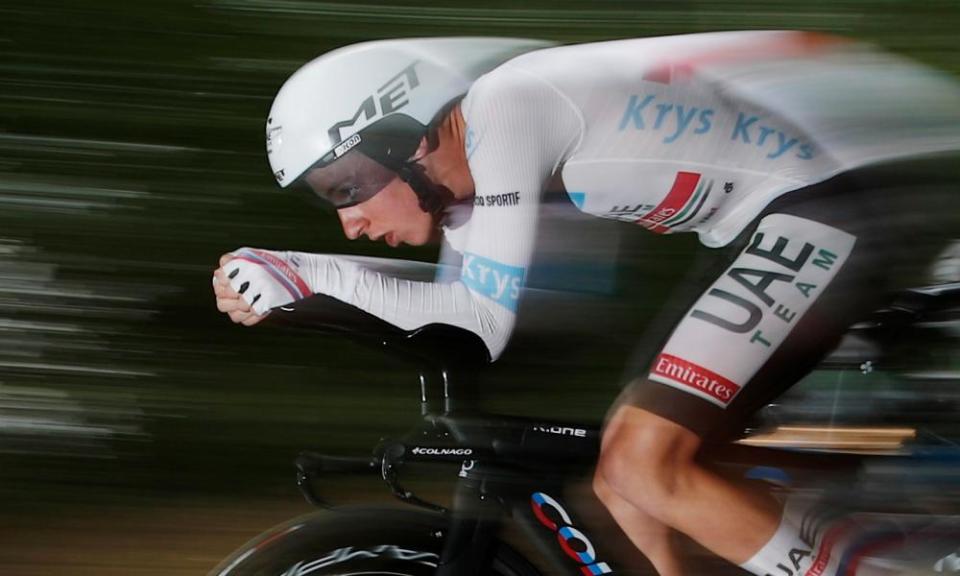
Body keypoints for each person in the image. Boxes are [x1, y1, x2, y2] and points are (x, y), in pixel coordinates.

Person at [212, 32, 960, 575]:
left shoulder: (508, 106)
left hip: (839, 203)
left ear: (399, 136)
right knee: (624, 483)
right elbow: (457, 306)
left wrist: (303, 272)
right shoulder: (472, 187)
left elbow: (480, 325)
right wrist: (301, 280)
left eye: (344, 187)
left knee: (643, 460)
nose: (349, 219)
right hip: (782, 219)